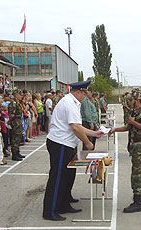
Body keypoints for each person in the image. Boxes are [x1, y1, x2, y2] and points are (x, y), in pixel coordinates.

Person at [43, 80, 104, 221]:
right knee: (57, 177)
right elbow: (75, 128)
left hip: (67, 144)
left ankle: (64, 204)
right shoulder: (70, 103)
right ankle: (50, 211)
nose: (85, 95)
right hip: (60, 144)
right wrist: (88, 143)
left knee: (68, 175)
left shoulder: (73, 102)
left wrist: (94, 134)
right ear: (78, 92)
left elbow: (77, 126)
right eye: (84, 93)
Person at [109, 90, 141, 213]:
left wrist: (133, 122)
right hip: (137, 146)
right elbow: (128, 127)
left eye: (131, 100)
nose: (129, 102)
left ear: (136, 100)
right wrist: (114, 130)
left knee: (137, 174)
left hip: (140, 147)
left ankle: (137, 202)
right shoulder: (135, 112)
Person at [8, 89, 24, 161]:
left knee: (18, 137)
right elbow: (11, 114)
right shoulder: (13, 103)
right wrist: (10, 121)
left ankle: (17, 152)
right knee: (15, 138)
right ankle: (14, 154)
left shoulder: (17, 102)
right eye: (20, 95)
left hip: (18, 120)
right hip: (15, 121)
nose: (21, 96)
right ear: (16, 94)